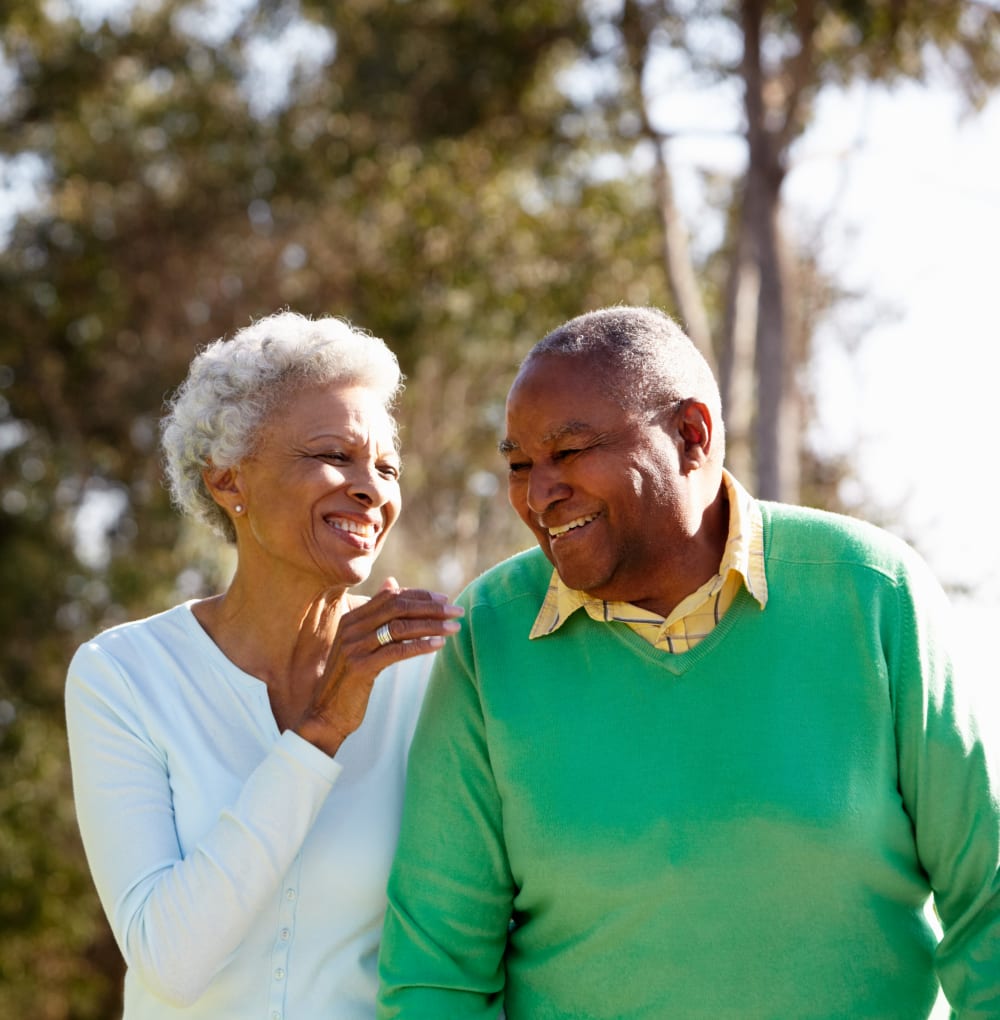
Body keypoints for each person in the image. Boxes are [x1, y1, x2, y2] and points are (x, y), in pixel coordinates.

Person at [376, 306, 1000, 1018]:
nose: (538, 493)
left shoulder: (872, 591)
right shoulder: (489, 638)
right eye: (520, 465)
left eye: (569, 452)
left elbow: (989, 900)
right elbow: (437, 969)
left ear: (691, 435)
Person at [65, 310, 463, 1019]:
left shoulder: (428, 673)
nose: (372, 488)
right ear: (228, 481)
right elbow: (168, 962)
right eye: (331, 455)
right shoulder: (123, 676)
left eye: (386, 466)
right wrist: (319, 733)